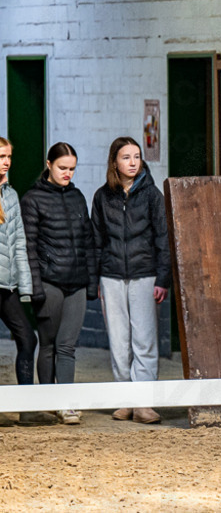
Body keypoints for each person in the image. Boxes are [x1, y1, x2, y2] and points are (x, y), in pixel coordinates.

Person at [91, 136, 171, 425]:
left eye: (136, 156)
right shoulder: (102, 197)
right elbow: (96, 241)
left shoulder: (152, 196)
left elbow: (164, 239)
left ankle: (144, 403)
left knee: (145, 341)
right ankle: (125, 399)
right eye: (126, 157)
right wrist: (96, 280)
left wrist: (163, 278)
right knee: (119, 341)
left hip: (145, 275)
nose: (133, 162)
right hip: (111, 277)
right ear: (115, 162)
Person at [21, 142, 98, 425]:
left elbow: (88, 242)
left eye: (72, 169)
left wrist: (90, 283)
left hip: (76, 283)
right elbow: (29, 247)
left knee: (67, 346)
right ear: (49, 164)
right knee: (49, 345)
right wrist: (36, 288)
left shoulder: (78, 197)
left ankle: (66, 404)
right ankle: (47, 400)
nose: (68, 173)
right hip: (49, 282)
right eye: (62, 168)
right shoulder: (32, 199)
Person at [0, 138, 39, 388]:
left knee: (28, 339)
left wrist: (25, 288)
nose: (6, 163)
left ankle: (27, 408)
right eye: (1, 157)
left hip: (7, 286)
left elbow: (19, 245)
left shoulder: (11, 195)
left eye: (9, 157)